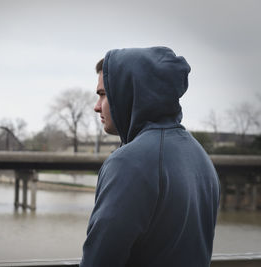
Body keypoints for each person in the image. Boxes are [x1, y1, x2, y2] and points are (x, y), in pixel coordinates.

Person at [80, 47, 220, 267]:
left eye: (103, 94)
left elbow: (100, 259)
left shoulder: (127, 162)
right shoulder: (200, 156)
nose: (97, 107)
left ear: (128, 92)